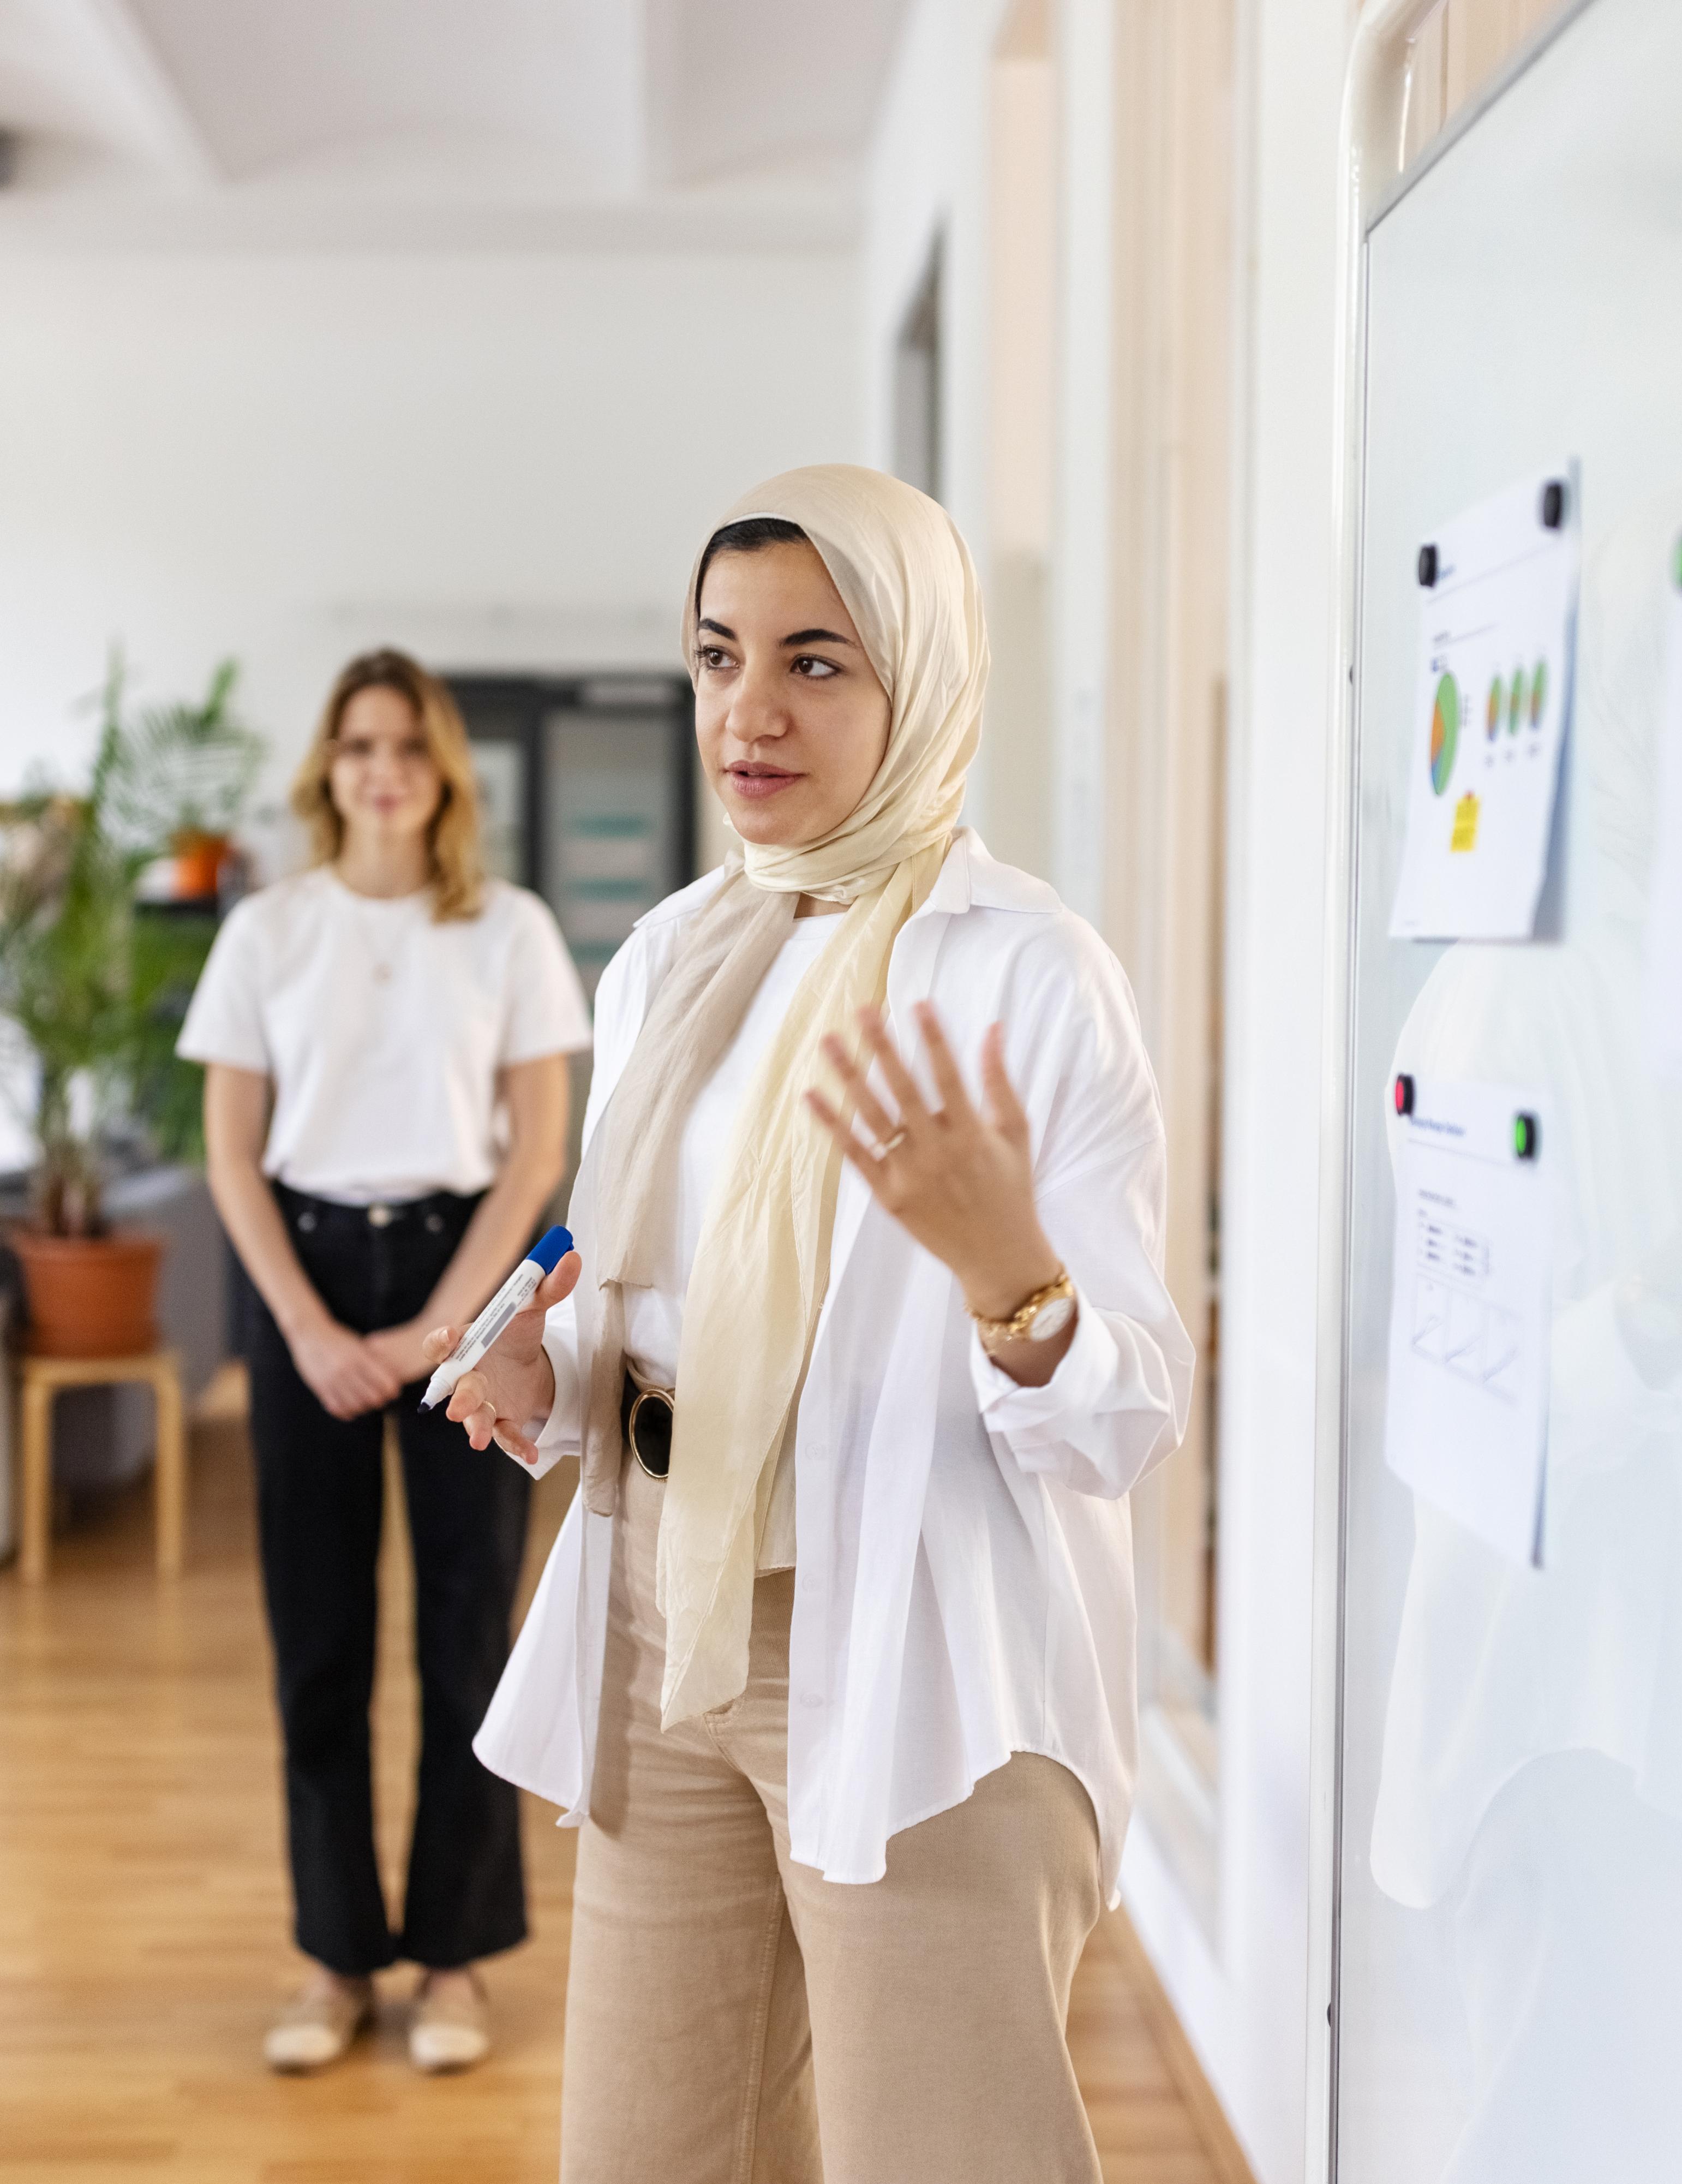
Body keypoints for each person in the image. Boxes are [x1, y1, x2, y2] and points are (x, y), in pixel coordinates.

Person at [435, 466, 1193, 2182]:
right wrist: (538, 1370)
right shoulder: (669, 957)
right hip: (659, 1614)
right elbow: (643, 1299)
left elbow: (1123, 1417)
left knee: (946, 2153)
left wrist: (1015, 1280)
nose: (747, 712)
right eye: (717, 657)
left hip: (907, 1626)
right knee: (650, 2154)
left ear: (916, 674)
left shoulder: (1026, 974)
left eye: (815, 661)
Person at [177, 647, 590, 2076]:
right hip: (303, 1278)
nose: (384, 770)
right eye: (359, 746)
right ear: (328, 770)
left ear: (444, 771)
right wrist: (301, 1325)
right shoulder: (268, 931)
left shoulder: (510, 929)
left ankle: (455, 1957)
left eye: (409, 746)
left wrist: (451, 1326)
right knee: (320, 1641)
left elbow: (538, 1149)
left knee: (469, 1630)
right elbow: (230, 1151)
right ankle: (335, 1956)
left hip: (459, 1273)